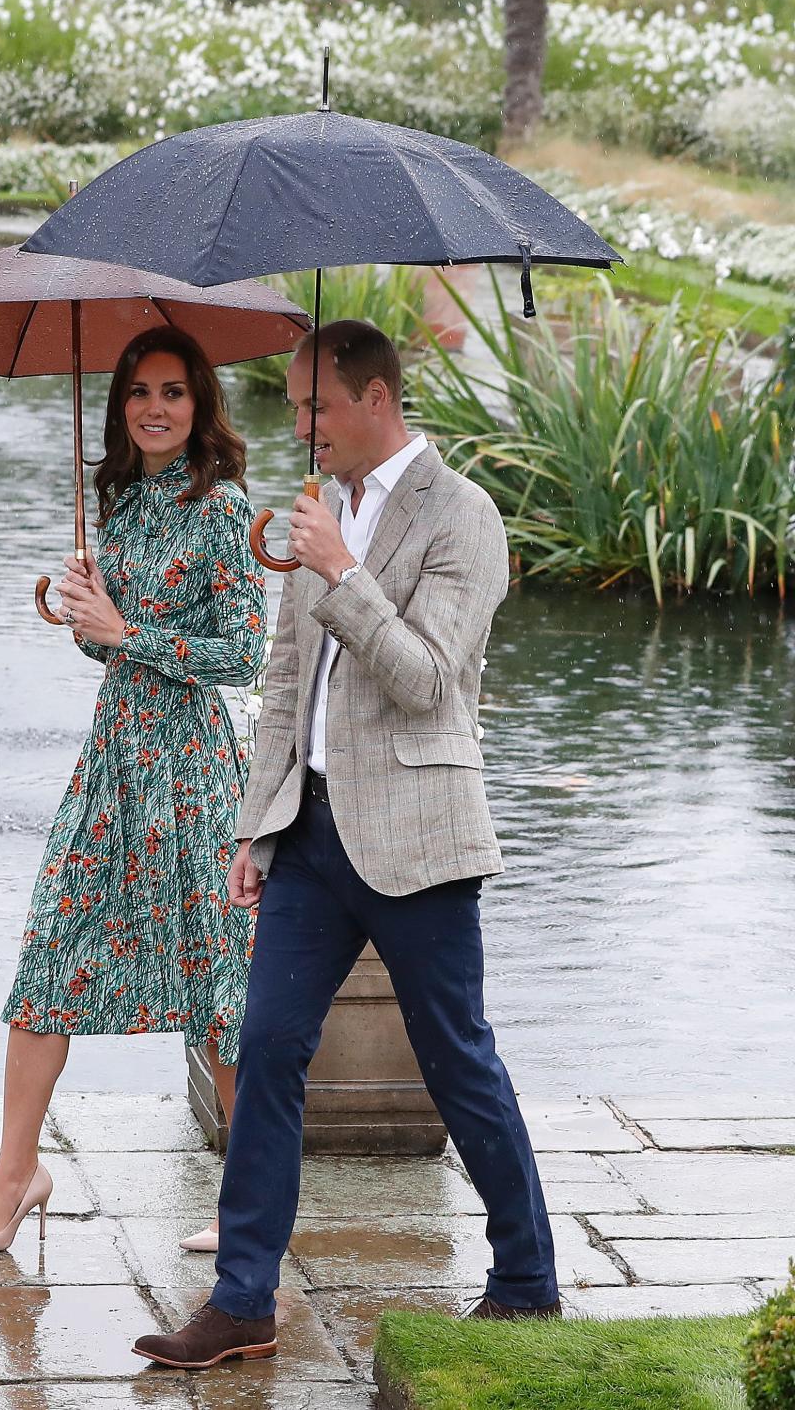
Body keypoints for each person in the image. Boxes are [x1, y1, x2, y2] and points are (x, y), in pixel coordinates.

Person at [132, 320, 559, 1370]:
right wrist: (255, 818)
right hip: (308, 837)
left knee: (459, 1060)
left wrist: (344, 568)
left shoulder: (465, 515)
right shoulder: (318, 512)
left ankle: (527, 1282)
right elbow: (286, 679)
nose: (300, 423)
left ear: (375, 398)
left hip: (418, 836)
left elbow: (426, 678)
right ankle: (242, 1297)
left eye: (314, 405)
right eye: (294, 403)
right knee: (267, 1046)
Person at [0, 325, 267, 1256]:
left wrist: (129, 633)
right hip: (114, 762)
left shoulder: (222, 509)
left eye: (172, 391)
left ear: (200, 404)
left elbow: (243, 653)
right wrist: (84, 615)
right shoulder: (119, 504)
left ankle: (247, 1205)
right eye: (138, 392)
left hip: (194, 772)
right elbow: (108, 646)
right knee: (50, 951)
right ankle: (16, 1177)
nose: (154, 408)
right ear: (121, 405)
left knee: (219, 980)